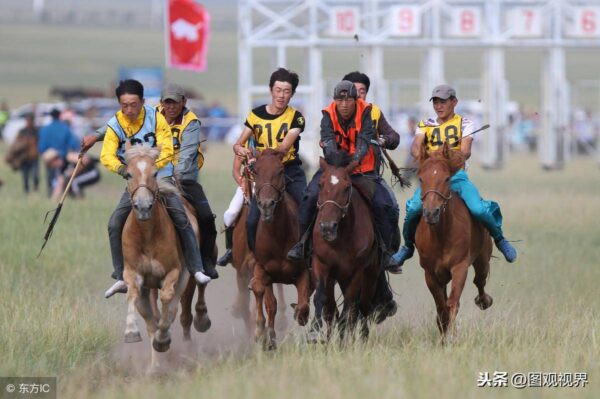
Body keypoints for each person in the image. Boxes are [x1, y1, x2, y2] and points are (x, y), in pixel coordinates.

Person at [86, 79, 212, 298]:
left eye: (175, 103)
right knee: (115, 222)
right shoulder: (149, 113)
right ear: (160, 103)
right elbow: (114, 127)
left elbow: (183, 153)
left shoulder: (189, 123)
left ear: (184, 102)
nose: (170, 107)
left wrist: (173, 173)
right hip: (143, 176)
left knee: (197, 217)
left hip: (176, 175)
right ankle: (120, 274)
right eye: (166, 103)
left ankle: (199, 267)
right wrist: (95, 137)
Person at [388, 84, 517, 269]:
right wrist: (425, 156)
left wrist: (446, 157)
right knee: (414, 209)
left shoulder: (465, 123)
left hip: (456, 176)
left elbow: (465, 151)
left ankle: (499, 239)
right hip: (433, 179)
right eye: (436, 103)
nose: (439, 106)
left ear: (454, 102)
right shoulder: (425, 124)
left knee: (478, 209)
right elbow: (416, 146)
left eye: (443, 102)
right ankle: (407, 247)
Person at [286, 80, 396, 270]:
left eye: (348, 100)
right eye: (339, 100)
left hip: (362, 170)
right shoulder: (327, 114)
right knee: (310, 196)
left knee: (383, 203)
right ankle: (302, 242)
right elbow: (328, 142)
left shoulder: (367, 112)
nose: (344, 105)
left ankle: (385, 252)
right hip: (333, 169)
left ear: (355, 100)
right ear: (335, 100)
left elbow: (363, 143)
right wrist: (336, 160)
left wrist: (352, 162)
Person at [220, 67, 306, 262]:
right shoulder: (255, 115)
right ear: (270, 90)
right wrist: (239, 150)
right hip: (262, 174)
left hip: (289, 170)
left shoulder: (296, 117)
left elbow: (283, 148)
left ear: (292, 94)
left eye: (286, 91)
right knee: (249, 219)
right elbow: (239, 143)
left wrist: (256, 154)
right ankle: (249, 255)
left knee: (306, 207)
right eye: (278, 90)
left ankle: (307, 252)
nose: (281, 96)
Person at [38, 108, 79, 197]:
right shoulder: (65, 128)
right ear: (59, 116)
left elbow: (41, 146)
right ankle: (64, 194)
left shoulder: (45, 129)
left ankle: (50, 194)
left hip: (49, 157)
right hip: (62, 157)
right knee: (62, 177)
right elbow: (73, 144)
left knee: (50, 176)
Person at [8, 113, 39, 193]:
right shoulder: (22, 131)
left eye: (30, 120)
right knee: (25, 177)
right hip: (24, 158)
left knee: (35, 175)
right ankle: (26, 192)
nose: (28, 122)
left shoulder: (36, 131)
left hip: (33, 157)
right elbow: (16, 144)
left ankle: (35, 189)